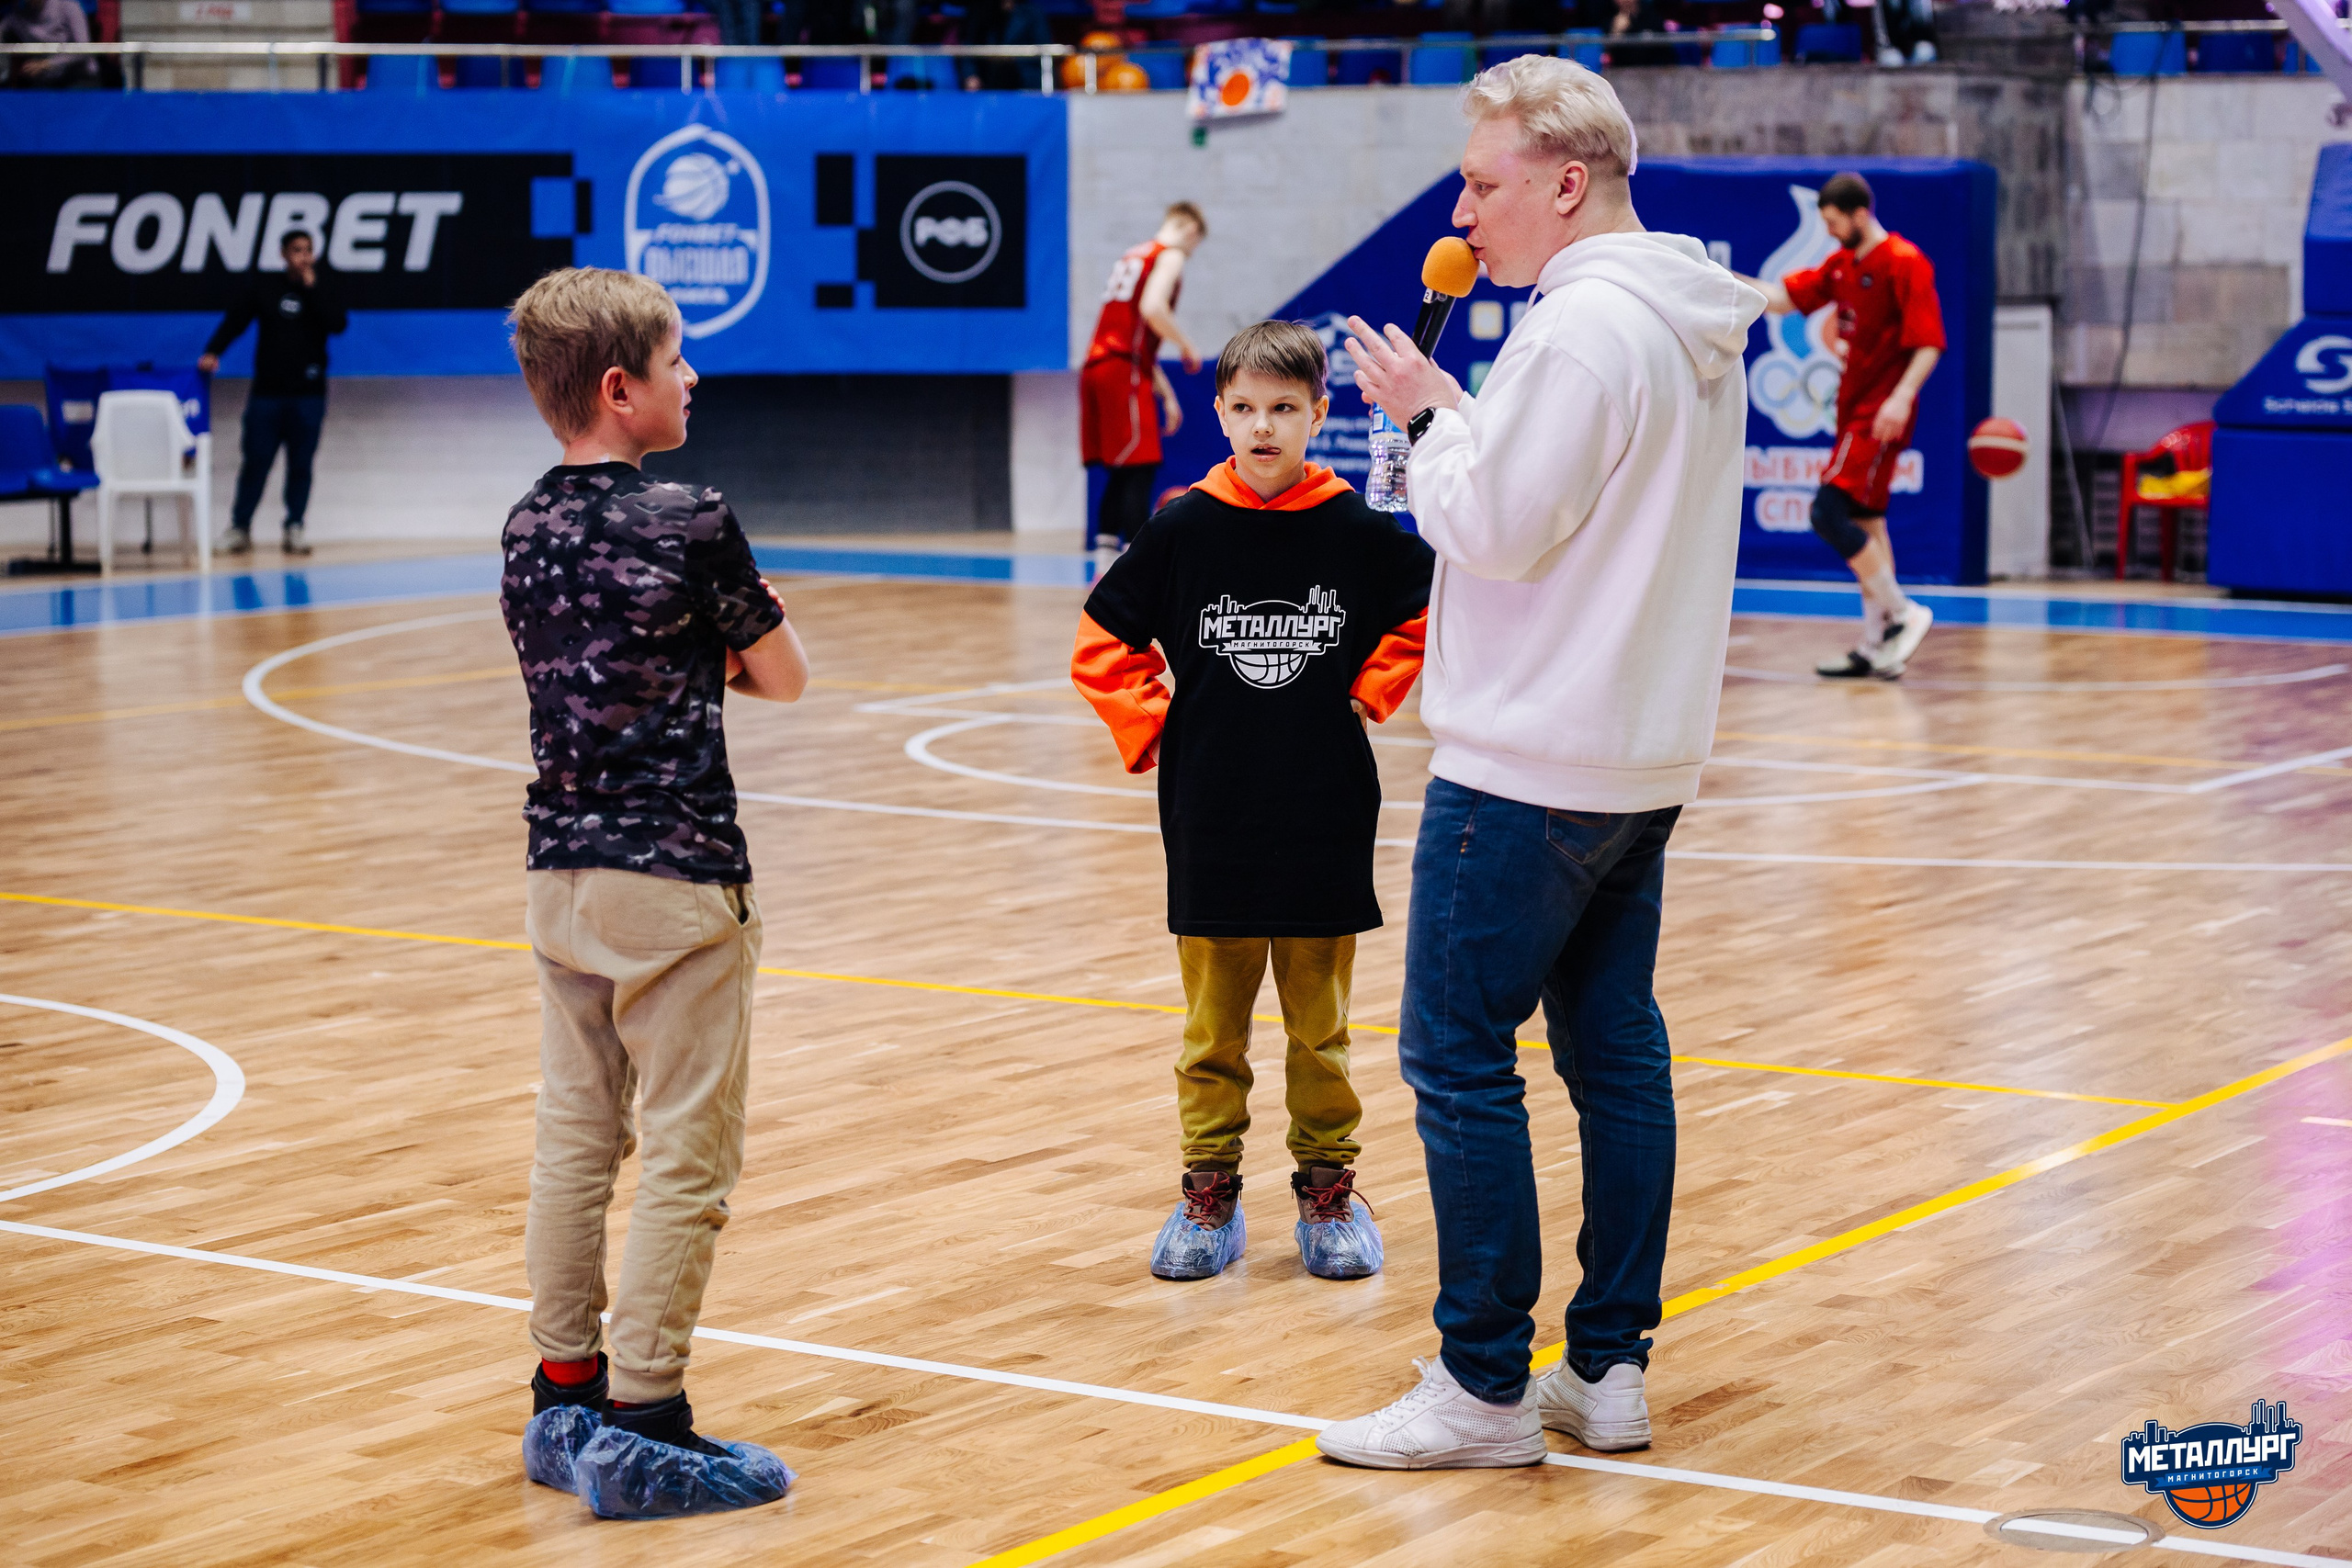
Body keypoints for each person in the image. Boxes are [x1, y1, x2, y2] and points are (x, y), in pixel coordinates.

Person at [1316, 54, 1763, 1469]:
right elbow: (1561, 499)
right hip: (1638, 751)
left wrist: (1431, 417)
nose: (1466, 207)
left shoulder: (1579, 332)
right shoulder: (1684, 320)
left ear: (1568, 183)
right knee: (1615, 1052)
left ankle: (1484, 1385)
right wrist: (1464, 410)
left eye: (1485, 183)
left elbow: (1499, 525)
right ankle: (1608, 1368)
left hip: (1529, 758)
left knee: (1455, 1054)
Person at [501, 267, 810, 1516]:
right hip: (677, 873)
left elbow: (590, 665)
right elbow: (784, 673)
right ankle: (647, 1417)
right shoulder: (693, 517)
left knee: (575, 1138)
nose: (697, 378)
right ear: (622, 389)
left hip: (560, 873)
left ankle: (563, 1394)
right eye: (679, 361)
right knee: (689, 1148)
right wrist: (732, 636)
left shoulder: (525, 522)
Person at [1071, 319, 1435, 1283]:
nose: (1263, 427)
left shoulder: (1357, 530)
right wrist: (1160, 727)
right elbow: (1100, 643)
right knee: (1210, 1035)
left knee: (1321, 1030)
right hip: (1211, 816)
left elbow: (1426, 612)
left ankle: (1326, 1190)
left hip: (1322, 813)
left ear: (1320, 414)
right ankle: (1210, 1192)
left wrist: (1367, 691)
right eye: (1243, 408)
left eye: (1284, 408)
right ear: (1221, 414)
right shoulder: (1184, 526)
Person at [1744, 172, 1945, 680]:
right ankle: (1878, 644)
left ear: (1860, 214)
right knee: (1868, 523)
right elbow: (1783, 299)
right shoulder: (1842, 266)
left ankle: (1902, 614)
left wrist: (1901, 397)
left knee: (1827, 513)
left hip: (1879, 411)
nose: (1831, 232)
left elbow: (1929, 342)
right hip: (1853, 407)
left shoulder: (1904, 262)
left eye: (1836, 223)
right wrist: (1720, 280)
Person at [198, 230, 347, 558]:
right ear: (283, 254)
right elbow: (236, 320)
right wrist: (213, 351)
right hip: (267, 393)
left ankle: (294, 525)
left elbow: (337, 324)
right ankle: (240, 527)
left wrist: (313, 289)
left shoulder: (322, 288)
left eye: (308, 251)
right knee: (256, 461)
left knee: (301, 464)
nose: (303, 257)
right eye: (297, 250)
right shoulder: (266, 288)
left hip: (308, 394)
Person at [1080, 202, 1206, 552]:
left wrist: (1166, 393)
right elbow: (1152, 309)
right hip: (1122, 368)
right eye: (1194, 247)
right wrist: (1187, 345)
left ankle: (1105, 568)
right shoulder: (1170, 254)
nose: (1189, 254)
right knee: (1142, 467)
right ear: (1190, 231)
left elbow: (1136, 339)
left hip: (1099, 367)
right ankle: (1138, 568)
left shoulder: (1131, 256)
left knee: (1122, 470)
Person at [0, 0, 95, 87]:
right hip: (45, 81)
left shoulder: (68, 6)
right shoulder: (15, 15)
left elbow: (83, 49)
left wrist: (46, 64)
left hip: (80, 77)